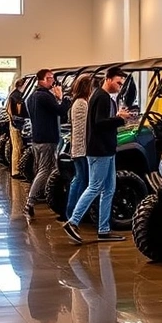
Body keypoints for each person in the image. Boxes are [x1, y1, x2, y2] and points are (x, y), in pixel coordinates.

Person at [63, 67, 130, 243]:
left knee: (109, 189)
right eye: (118, 82)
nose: (119, 86)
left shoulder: (100, 97)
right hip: (100, 151)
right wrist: (119, 118)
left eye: (121, 84)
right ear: (108, 79)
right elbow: (99, 123)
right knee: (95, 187)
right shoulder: (101, 97)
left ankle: (104, 229)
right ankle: (73, 221)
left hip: (106, 149)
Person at [24, 69, 70, 218]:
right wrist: (62, 98)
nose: (52, 81)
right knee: (45, 170)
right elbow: (61, 110)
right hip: (47, 139)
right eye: (49, 78)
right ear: (41, 80)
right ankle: (30, 202)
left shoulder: (31, 97)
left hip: (37, 138)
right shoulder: (44, 96)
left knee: (45, 169)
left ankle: (54, 198)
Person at [62, 74, 94, 223]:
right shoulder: (82, 104)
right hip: (82, 149)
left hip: (77, 148)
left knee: (78, 179)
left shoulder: (76, 102)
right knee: (82, 180)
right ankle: (76, 213)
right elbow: (85, 128)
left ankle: (72, 211)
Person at [7, 77, 30, 180]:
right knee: (17, 148)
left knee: (18, 147)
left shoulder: (15, 95)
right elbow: (15, 113)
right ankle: (16, 171)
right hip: (16, 124)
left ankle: (16, 170)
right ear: (22, 85)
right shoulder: (16, 96)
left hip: (16, 123)